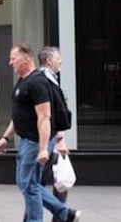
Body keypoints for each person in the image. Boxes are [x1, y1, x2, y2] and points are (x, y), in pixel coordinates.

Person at [0, 43, 81, 222]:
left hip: (34, 142)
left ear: (26, 59)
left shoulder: (37, 83)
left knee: (30, 186)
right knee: (26, 183)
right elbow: (19, 115)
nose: (10, 63)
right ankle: (65, 213)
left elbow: (45, 117)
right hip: (27, 141)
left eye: (13, 59)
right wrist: (5, 137)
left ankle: (50, 216)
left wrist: (43, 149)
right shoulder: (23, 82)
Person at [38, 46, 71, 204]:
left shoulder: (49, 80)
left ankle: (59, 212)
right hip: (49, 139)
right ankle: (61, 212)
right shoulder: (46, 82)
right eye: (58, 59)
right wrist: (60, 139)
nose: (61, 62)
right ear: (49, 61)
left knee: (53, 180)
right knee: (40, 183)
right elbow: (51, 114)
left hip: (49, 137)